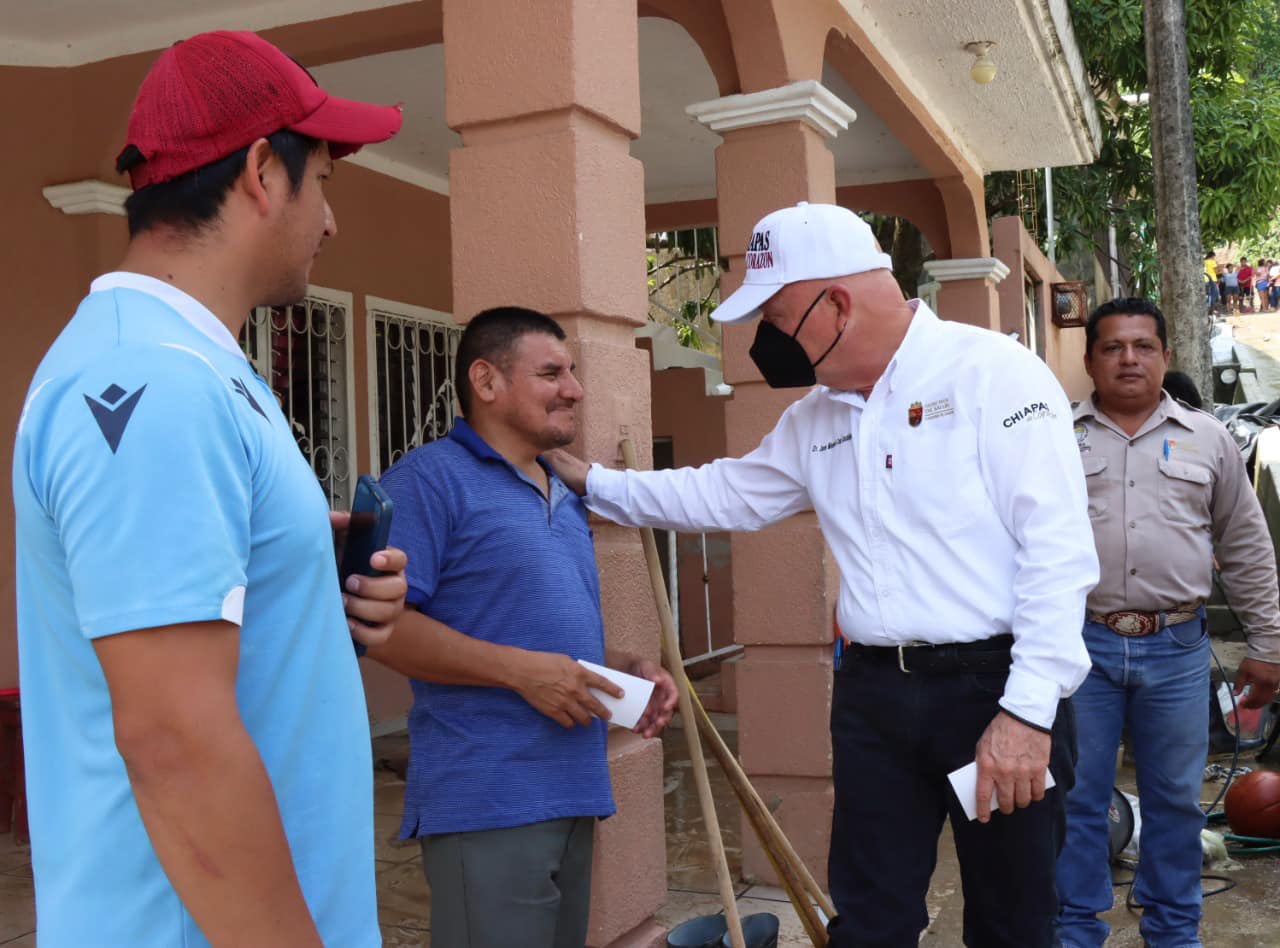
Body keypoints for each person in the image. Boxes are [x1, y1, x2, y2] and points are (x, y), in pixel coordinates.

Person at [549, 202, 1100, 948]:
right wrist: (599, 485)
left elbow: (1057, 553)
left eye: (776, 316)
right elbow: (726, 492)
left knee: (1011, 919)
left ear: (835, 304)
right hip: (876, 699)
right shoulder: (818, 418)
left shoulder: (993, 374)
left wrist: (1028, 714)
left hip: (992, 692)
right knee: (871, 918)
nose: (765, 339)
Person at [12, 31, 408, 946]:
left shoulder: (182, 365)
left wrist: (299, 554)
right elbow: (173, 745)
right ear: (265, 172)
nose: (332, 224)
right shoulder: (152, 383)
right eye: (327, 186)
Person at [367, 307, 679, 948]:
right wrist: (521, 673)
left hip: (573, 788)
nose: (575, 388)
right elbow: (384, 629)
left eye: (572, 372)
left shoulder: (561, 490)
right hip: (486, 796)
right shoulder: (429, 481)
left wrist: (623, 668)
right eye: (551, 372)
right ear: (485, 381)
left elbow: (533, 629)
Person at [1056, 297, 1280, 948]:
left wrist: (1267, 643)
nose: (1129, 358)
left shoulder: (1208, 438)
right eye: (1113, 346)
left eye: (1143, 346)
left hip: (1178, 650)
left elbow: (1245, 546)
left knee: (1177, 804)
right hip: (1082, 644)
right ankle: (1073, 931)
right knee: (1077, 799)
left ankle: (1174, 931)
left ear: (1165, 357)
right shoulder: (1056, 437)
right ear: (1091, 357)